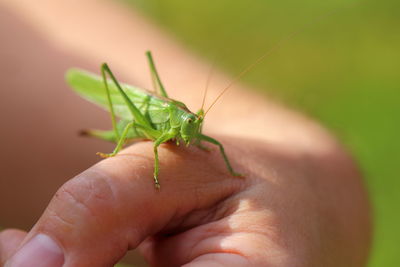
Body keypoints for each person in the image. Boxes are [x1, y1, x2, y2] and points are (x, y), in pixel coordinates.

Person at [0, 0, 371, 266]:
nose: (196, 131)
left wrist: (260, 162)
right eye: (192, 125)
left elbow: (217, 147)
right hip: (142, 116)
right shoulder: (163, 129)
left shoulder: (196, 129)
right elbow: (133, 127)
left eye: (196, 124)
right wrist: (140, 164)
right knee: (133, 119)